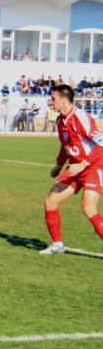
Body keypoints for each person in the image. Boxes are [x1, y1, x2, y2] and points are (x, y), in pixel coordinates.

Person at [41, 84, 103, 254]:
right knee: (50, 202)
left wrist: (83, 164)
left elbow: (101, 144)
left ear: (63, 99)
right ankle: (57, 244)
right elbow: (65, 145)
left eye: (53, 99)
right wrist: (59, 165)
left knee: (89, 208)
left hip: (93, 166)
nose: (51, 102)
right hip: (74, 168)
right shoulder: (61, 120)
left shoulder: (81, 117)